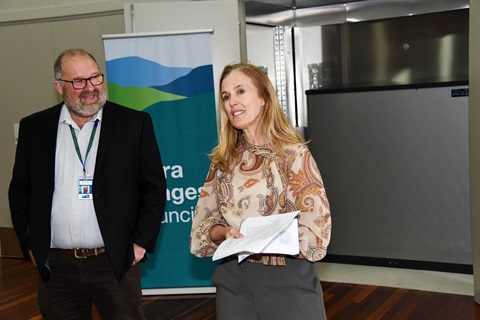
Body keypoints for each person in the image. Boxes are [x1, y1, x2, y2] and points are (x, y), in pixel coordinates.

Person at [8, 48, 167, 319]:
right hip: (56, 267)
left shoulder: (133, 123)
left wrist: (139, 244)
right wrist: (31, 245)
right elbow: (20, 192)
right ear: (59, 86)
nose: (90, 88)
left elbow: (153, 188)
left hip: (115, 263)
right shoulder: (35, 128)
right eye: (78, 81)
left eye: (95, 78)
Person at [190, 62, 332, 320]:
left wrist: (267, 235)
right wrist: (222, 232)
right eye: (226, 96)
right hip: (233, 281)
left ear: (264, 98)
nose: (232, 101)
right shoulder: (223, 161)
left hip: (288, 280)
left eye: (240, 91)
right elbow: (201, 227)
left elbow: (317, 230)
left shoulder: (293, 154)